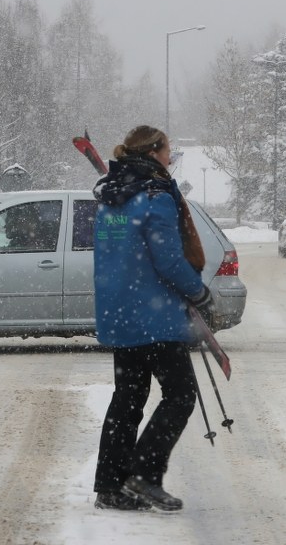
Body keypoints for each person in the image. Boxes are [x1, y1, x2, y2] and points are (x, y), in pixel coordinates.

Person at [91, 125, 212, 512]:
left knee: (128, 399)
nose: (170, 158)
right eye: (168, 151)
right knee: (180, 396)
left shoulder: (111, 196)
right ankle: (143, 475)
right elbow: (168, 259)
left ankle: (110, 486)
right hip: (154, 315)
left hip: (119, 312)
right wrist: (198, 292)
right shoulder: (155, 196)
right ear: (155, 152)